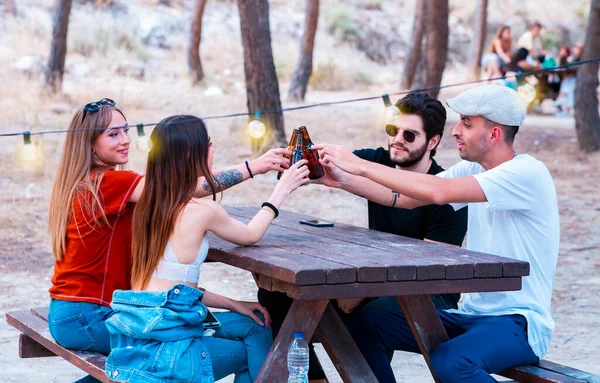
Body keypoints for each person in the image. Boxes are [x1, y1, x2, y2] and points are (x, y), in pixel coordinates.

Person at [314, 85, 559, 383]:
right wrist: (340, 180)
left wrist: (360, 166)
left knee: (452, 362)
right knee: (367, 322)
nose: (456, 131)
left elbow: (437, 191)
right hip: (472, 316)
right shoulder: (473, 168)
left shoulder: (526, 174)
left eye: (467, 124)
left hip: (519, 324)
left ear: (494, 134)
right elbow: (400, 197)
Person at [47, 99, 291, 381]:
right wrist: (256, 167)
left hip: (77, 311)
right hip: (89, 315)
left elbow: (174, 190)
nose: (125, 140)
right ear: (90, 145)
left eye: (126, 130)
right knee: (149, 356)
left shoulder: (94, 182)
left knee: (155, 353)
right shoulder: (108, 183)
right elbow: (178, 187)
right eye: (113, 134)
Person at [258, 93, 468, 382]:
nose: (398, 140)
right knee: (278, 297)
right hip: (372, 283)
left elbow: (431, 269)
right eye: (393, 130)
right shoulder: (375, 161)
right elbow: (321, 167)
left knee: (367, 319)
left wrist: (362, 292)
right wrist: (298, 161)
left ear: (432, 142)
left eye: (409, 134)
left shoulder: (446, 192)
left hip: (429, 294)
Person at [104, 115, 310, 382]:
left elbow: (173, 288)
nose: (213, 151)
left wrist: (235, 304)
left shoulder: (147, 207)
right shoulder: (202, 211)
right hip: (172, 346)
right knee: (255, 348)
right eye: (209, 144)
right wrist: (281, 190)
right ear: (192, 154)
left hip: (145, 329)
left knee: (256, 325)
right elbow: (250, 235)